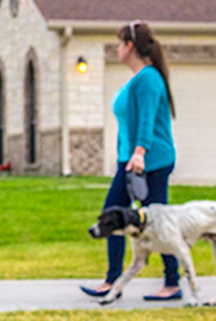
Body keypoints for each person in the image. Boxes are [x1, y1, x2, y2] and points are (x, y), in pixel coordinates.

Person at [80, 20, 181, 301]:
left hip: (150, 162)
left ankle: (172, 283)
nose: (116, 48)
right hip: (130, 161)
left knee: (157, 222)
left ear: (130, 46)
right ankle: (113, 281)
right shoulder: (138, 79)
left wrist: (139, 153)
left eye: (119, 43)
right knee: (113, 215)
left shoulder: (148, 78)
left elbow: (147, 121)